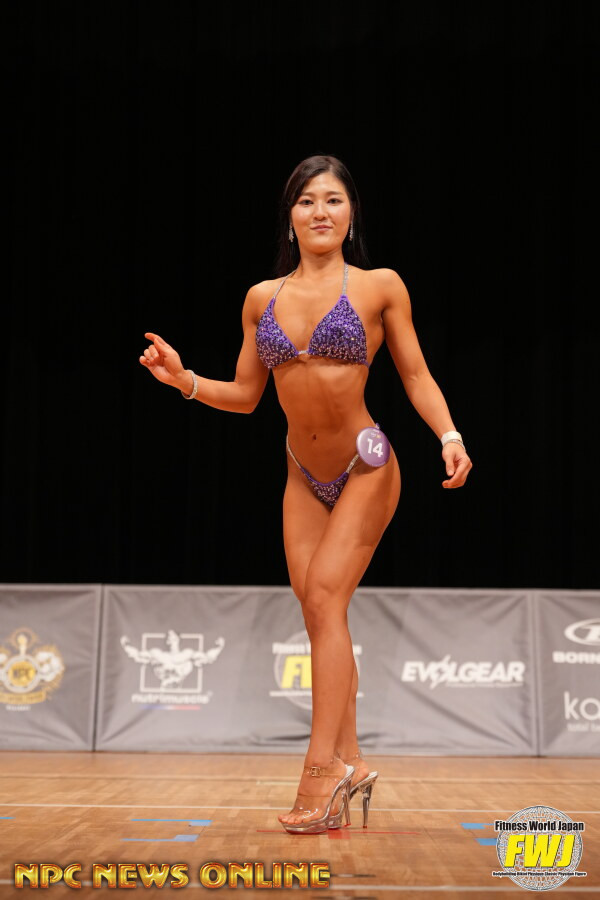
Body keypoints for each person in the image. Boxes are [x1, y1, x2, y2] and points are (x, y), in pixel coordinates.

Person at [139, 154, 473, 834]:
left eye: (333, 200)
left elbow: (415, 374)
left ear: (351, 216)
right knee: (322, 615)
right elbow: (246, 395)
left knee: (323, 598)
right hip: (301, 474)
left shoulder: (379, 286)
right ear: (290, 217)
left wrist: (448, 434)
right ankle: (352, 760)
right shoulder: (261, 298)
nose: (320, 211)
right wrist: (184, 380)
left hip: (366, 465)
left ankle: (320, 771)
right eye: (306, 201)